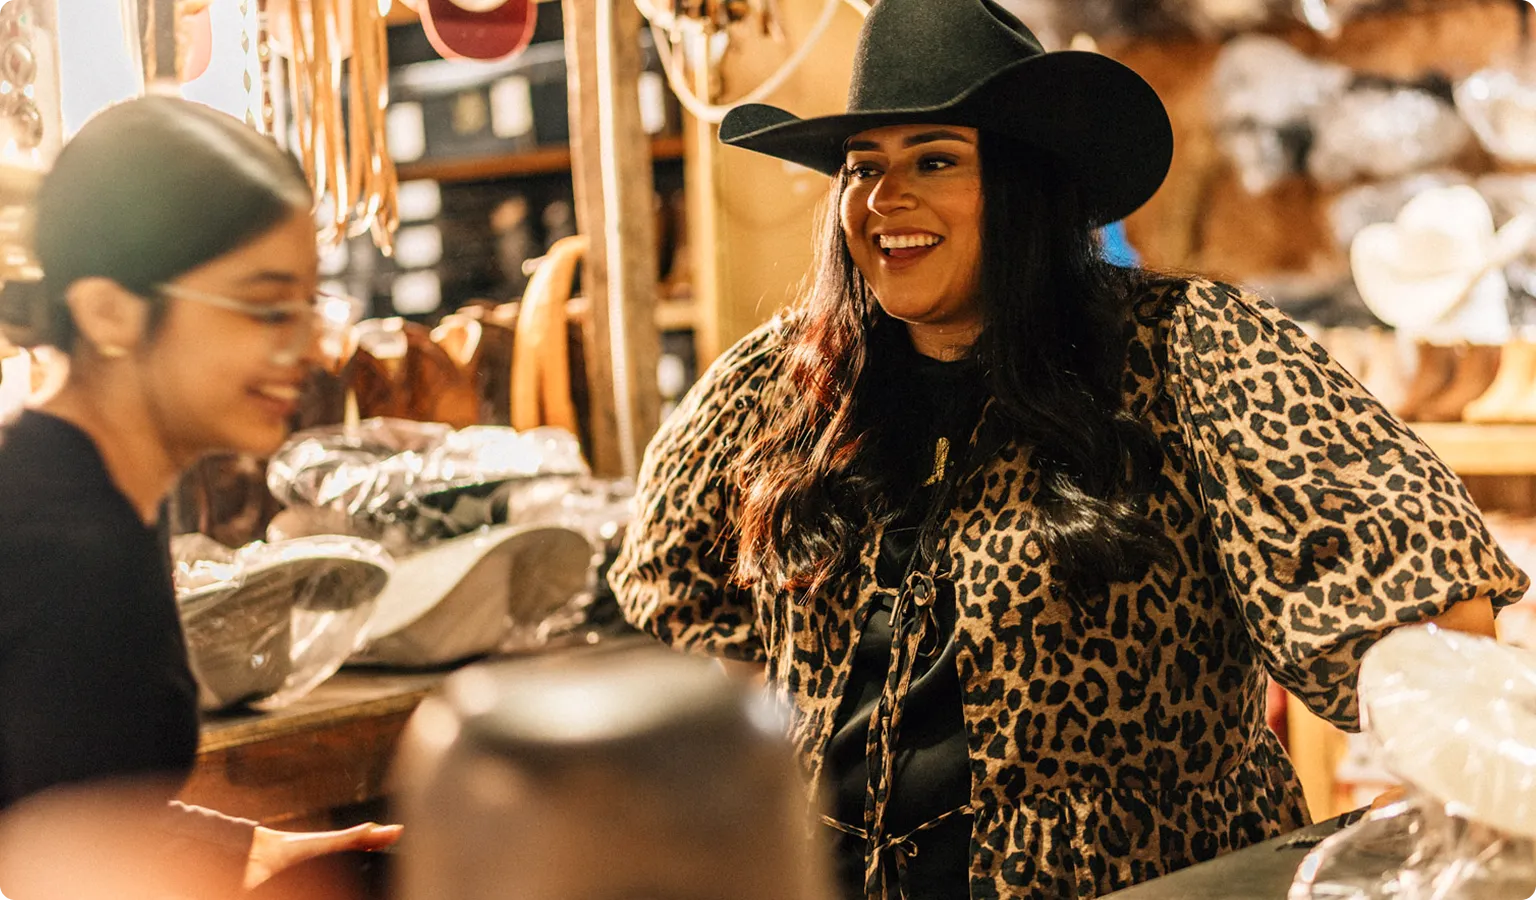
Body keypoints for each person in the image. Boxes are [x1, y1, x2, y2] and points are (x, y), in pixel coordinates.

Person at [608, 1, 1528, 898]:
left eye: (935, 160)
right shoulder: (787, 383)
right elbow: (671, 596)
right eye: (862, 167)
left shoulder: (1184, 353)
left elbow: (1426, 608)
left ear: (1028, 188)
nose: (886, 199)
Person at [0, 96, 398, 894]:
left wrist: (231, 852)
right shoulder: (49, 538)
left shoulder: (106, 496)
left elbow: (48, 799)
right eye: (264, 307)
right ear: (110, 312)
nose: (311, 348)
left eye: (306, 306)